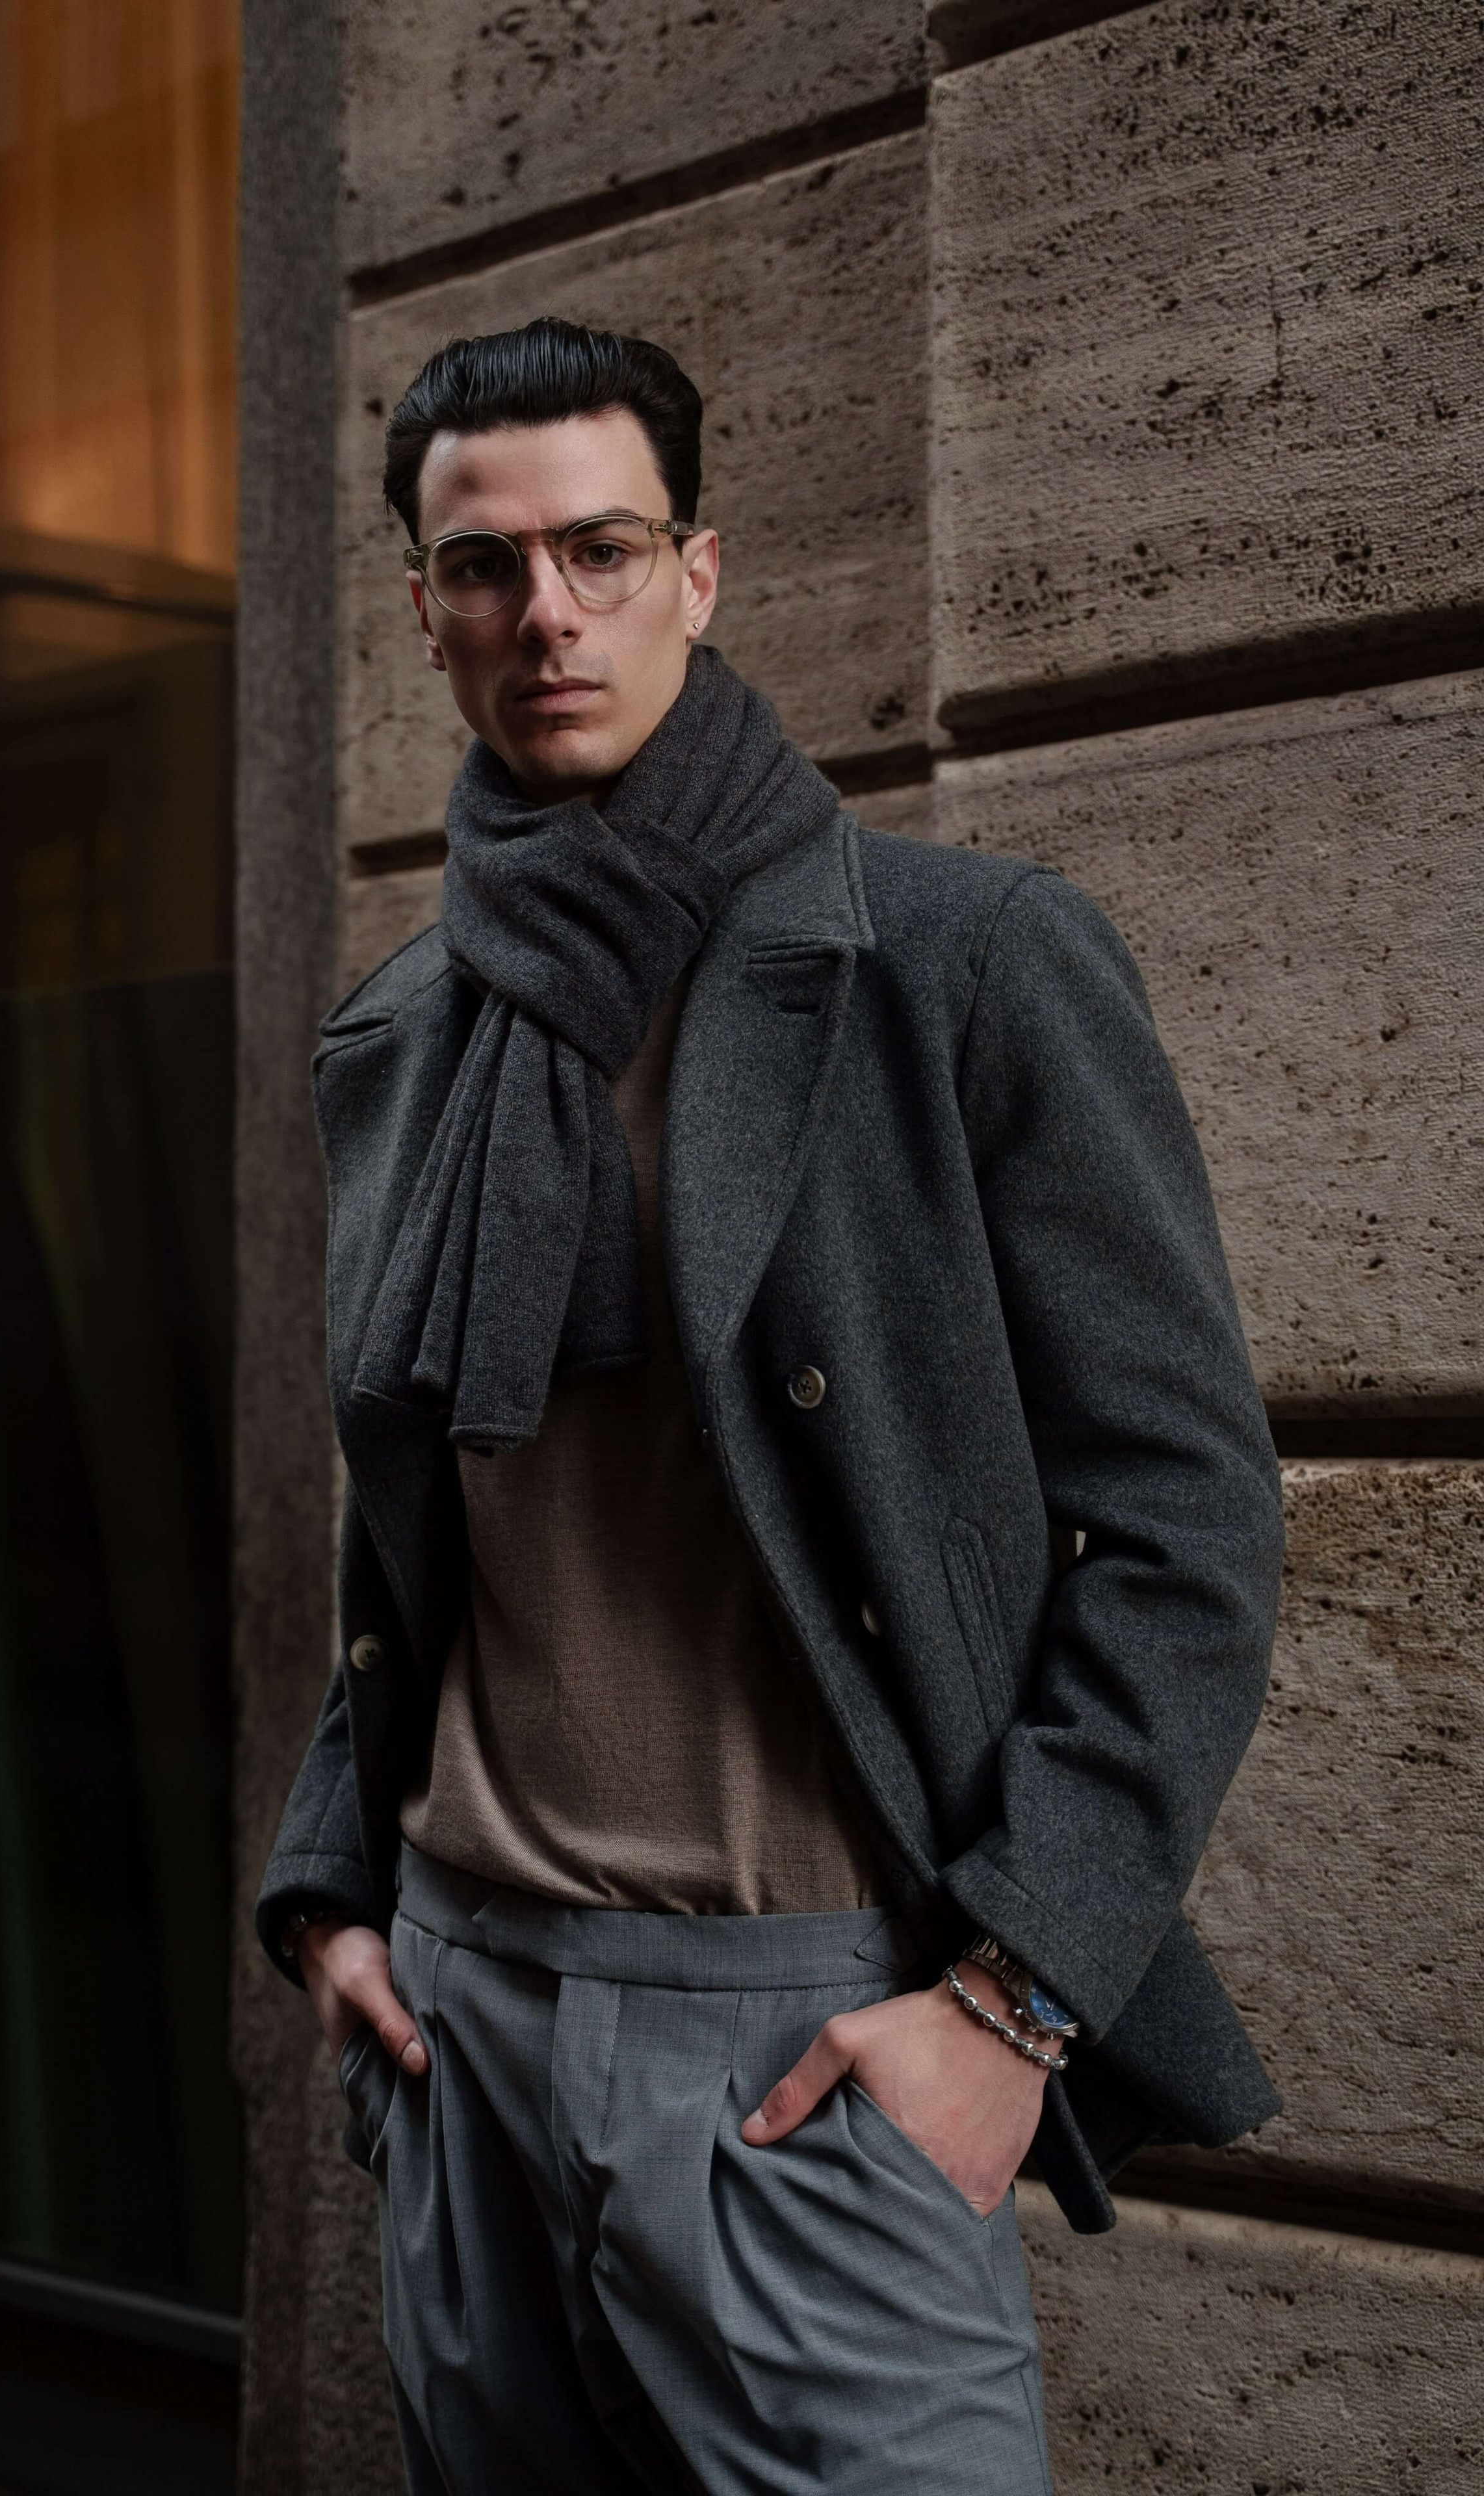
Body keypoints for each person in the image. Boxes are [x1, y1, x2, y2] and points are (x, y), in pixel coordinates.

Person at [255, 315, 1283, 2495]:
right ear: (428, 611)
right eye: (483, 567)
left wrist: (1009, 2006)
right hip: (461, 2020)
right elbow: (409, 1533)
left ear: (698, 576)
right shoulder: (398, 1041)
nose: (548, 612)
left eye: (600, 550)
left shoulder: (962, 965)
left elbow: (1189, 1524)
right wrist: (334, 1892)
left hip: (807, 2047)